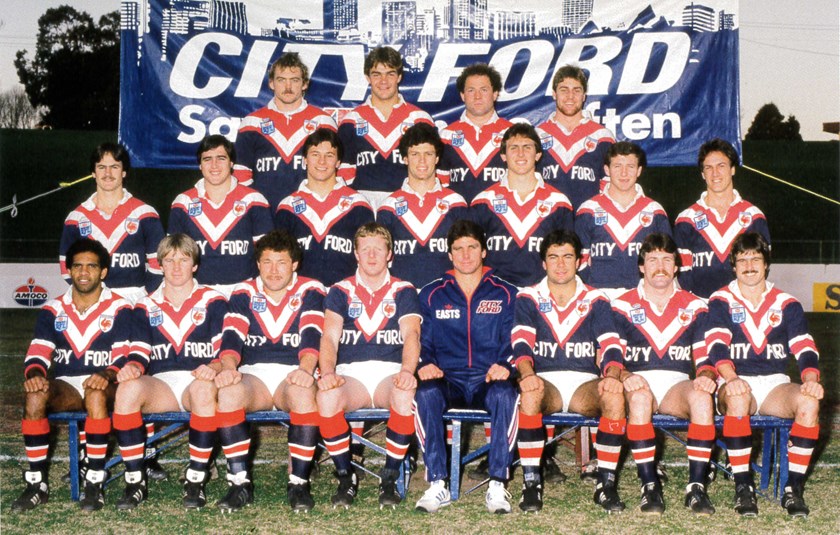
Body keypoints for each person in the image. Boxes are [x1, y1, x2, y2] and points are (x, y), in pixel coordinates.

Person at [12, 239, 135, 512]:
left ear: (103, 272)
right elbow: (38, 352)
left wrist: (106, 374)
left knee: (95, 392)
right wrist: (35, 374)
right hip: (67, 385)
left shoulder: (120, 307)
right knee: (34, 394)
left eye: (91, 266)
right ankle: (37, 484)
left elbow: (123, 355)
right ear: (69, 270)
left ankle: (94, 482)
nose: (83, 272)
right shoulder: (53, 309)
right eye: (77, 266)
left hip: (105, 383)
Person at [707, 232, 822, 518]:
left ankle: (792, 488)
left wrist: (810, 380)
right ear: (733, 265)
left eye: (755, 259)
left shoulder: (786, 303)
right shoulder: (721, 299)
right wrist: (731, 378)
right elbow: (716, 345)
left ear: (766, 263)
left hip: (774, 385)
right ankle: (743, 485)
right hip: (733, 381)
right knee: (738, 398)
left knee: (808, 403)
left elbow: (804, 347)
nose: (749, 265)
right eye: (742, 259)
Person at [512, 230, 626, 513]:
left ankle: (606, 484)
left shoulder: (595, 298)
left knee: (613, 397)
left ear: (579, 261)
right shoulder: (529, 296)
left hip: (583, 384)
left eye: (567, 257)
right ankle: (531, 484)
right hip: (545, 381)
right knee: (529, 393)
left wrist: (611, 376)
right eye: (553, 257)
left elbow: (611, 345)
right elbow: (521, 345)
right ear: (543, 263)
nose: (560, 264)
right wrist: (527, 376)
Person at [112, 234, 229, 510]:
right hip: (161, 385)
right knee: (127, 389)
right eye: (169, 260)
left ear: (195, 265)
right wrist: (132, 367)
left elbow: (224, 351)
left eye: (184, 259)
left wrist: (213, 367)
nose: (176, 267)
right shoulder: (145, 305)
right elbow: (140, 352)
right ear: (160, 265)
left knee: (202, 389)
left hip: (196, 381)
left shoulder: (214, 300)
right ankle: (134, 481)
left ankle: (196, 479)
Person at [215, 230, 326, 512]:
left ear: (295, 264)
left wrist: (306, 369)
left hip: (293, 371)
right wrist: (228, 367)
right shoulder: (244, 291)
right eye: (267, 262)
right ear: (258, 264)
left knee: (302, 392)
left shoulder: (310, 289)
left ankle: (298, 483)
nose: (274, 270)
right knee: (228, 392)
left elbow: (312, 333)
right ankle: (239, 484)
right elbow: (231, 336)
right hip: (256, 375)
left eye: (281, 262)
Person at [413, 220, 518, 515]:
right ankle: (437, 483)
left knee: (504, 395)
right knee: (426, 394)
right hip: (450, 378)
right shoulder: (432, 294)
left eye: (472, 247)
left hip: (489, 376)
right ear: (449, 255)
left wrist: (505, 365)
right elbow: (423, 340)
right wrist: (425, 364)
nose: (466, 255)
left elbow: (516, 339)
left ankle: (497, 485)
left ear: (484, 251)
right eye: (458, 249)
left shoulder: (506, 293)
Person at [611, 233, 717, 515]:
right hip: (637, 382)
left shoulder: (695, 305)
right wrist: (624, 376)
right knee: (641, 399)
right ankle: (649, 486)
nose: (660, 266)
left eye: (667, 260)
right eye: (652, 260)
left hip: (676, 385)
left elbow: (705, 359)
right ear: (641, 267)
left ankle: (696, 487)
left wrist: (706, 374)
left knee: (702, 398)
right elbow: (609, 357)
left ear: (676, 267)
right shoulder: (621, 304)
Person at [316, 223, 421, 509]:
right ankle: (345, 476)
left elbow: (411, 335)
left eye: (378, 249)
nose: (372, 255)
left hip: (389, 371)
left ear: (390, 254)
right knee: (326, 396)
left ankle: (388, 477)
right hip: (353, 374)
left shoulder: (403, 289)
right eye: (365, 249)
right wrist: (327, 374)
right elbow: (329, 337)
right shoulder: (340, 290)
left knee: (404, 394)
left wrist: (407, 372)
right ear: (356, 254)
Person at [470, 123, 574, 287]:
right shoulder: (483, 201)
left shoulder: (559, 203)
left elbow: (568, 256)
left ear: (538, 154)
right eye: (513, 148)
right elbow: (470, 255)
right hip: (494, 292)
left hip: (543, 292)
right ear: (503, 155)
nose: (520, 154)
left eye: (527, 147)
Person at [169, 135, 274, 296]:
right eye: (207, 159)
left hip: (244, 292)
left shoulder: (254, 200)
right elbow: (174, 256)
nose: (214, 165)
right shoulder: (182, 203)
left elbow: (267, 253)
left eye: (221, 158)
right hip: (197, 294)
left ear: (231, 163)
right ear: (200, 165)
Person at [59, 142, 164, 302]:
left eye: (114, 167)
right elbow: (66, 268)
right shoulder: (76, 218)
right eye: (101, 167)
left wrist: (145, 297)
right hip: (93, 300)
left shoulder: (145, 213)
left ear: (124, 172)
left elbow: (159, 264)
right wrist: (89, 294)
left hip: (135, 300)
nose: (108, 173)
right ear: (93, 172)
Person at [233, 52, 338, 210]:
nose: (288, 87)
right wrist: (254, 209)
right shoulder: (252, 123)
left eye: (294, 80)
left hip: (311, 213)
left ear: (305, 84)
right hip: (265, 213)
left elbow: (335, 172)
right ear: (271, 83)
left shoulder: (323, 122)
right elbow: (241, 174)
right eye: (281, 80)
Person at [337, 46, 434, 209]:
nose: (384, 81)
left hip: (408, 203)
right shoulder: (352, 121)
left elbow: (430, 171)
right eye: (377, 74)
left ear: (399, 77)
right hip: (363, 205)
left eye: (390, 74)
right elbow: (342, 175)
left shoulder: (420, 119)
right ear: (368, 77)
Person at [275, 129, 374, 287]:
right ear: (305, 159)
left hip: (345, 295)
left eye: (329, 155)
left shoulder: (358, 204)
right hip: (300, 296)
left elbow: (369, 256)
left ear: (338, 162)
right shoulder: (287, 206)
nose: (322, 162)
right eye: (315, 154)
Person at [674, 138, 770, 298]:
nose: (715, 173)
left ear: (733, 169)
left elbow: (762, 268)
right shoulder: (686, 219)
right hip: (701, 308)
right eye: (708, 168)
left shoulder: (754, 216)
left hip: (742, 307)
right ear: (702, 174)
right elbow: (682, 273)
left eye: (721, 166)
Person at [377, 123, 469, 288]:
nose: (422, 160)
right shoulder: (388, 206)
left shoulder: (456, 203)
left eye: (428, 153)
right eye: (415, 154)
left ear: (437, 158)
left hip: (447, 294)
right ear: (405, 158)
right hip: (403, 295)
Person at [575, 142, 671, 298]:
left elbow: (667, 260)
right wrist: (592, 293)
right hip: (598, 298)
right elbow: (578, 261)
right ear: (607, 170)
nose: (624, 173)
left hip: (642, 297)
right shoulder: (588, 210)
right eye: (618, 166)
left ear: (639, 170)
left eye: (631, 167)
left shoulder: (654, 211)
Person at [536, 65, 615, 210]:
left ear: (584, 96)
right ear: (554, 94)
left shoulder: (603, 137)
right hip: (549, 221)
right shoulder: (538, 135)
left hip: (587, 222)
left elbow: (611, 185)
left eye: (576, 90)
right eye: (564, 90)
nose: (570, 97)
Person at [438, 63, 513, 203]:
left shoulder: (513, 134)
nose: (477, 96)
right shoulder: (445, 136)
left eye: (484, 90)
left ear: (495, 93)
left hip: (501, 218)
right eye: (471, 90)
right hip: (459, 220)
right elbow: (440, 187)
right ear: (462, 95)